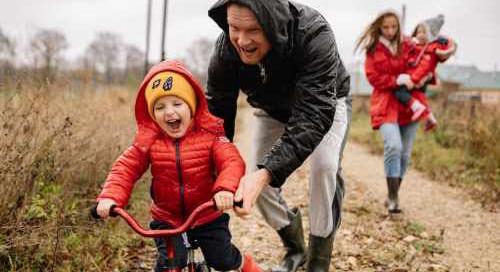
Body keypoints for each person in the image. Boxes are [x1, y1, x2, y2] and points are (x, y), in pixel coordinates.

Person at [206, 1, 351, 271]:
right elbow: (217, 114)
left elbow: (312, 115)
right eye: (234, 27)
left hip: (325, 105)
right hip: (270, 109)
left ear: (273, 23)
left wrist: (267, 173)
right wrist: (217, 173)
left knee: (324, 167)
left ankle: (318, 264)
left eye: (253, 30)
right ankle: (295, 249)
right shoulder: (226, 49)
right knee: (255, 180)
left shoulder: (314, 34)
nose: (241, 40)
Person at [95, 60, 262, 272]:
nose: (169, 112)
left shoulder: (210, 136)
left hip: (207, 214)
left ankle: (245, 264)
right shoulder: (148, 141)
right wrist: (110, 196)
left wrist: (224, 189)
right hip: (168, 220)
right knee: (170, 264)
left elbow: (232, 161)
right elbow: (125, 168)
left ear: (191, 106)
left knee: (222, 259)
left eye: (177, 103)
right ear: (152, 113)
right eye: (160, 107)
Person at [356, 11, 452, 213]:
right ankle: (392, 198)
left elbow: (428, 54)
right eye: (386, 27)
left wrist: (448, 48)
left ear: (398, 26)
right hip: (385, 104)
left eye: (393, 26)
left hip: (410, 105)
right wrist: (396, 80)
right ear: (379, 27)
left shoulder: (407, 43)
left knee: (405, 155)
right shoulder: (373, 49)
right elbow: (373, 77)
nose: (390, 31)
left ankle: (394, 194)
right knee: (393, 146)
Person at [394, 14, 457, 131]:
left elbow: (425, 67)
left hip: (415, 79)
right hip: (416, 78)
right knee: (419, 97)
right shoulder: (418, 47)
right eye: (418, 32)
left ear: (431, 35)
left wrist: (413, 80)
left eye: (424, 32)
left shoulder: (430, 49)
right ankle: (430, 118)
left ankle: (417, 108)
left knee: (400, 92)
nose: (420, 35)